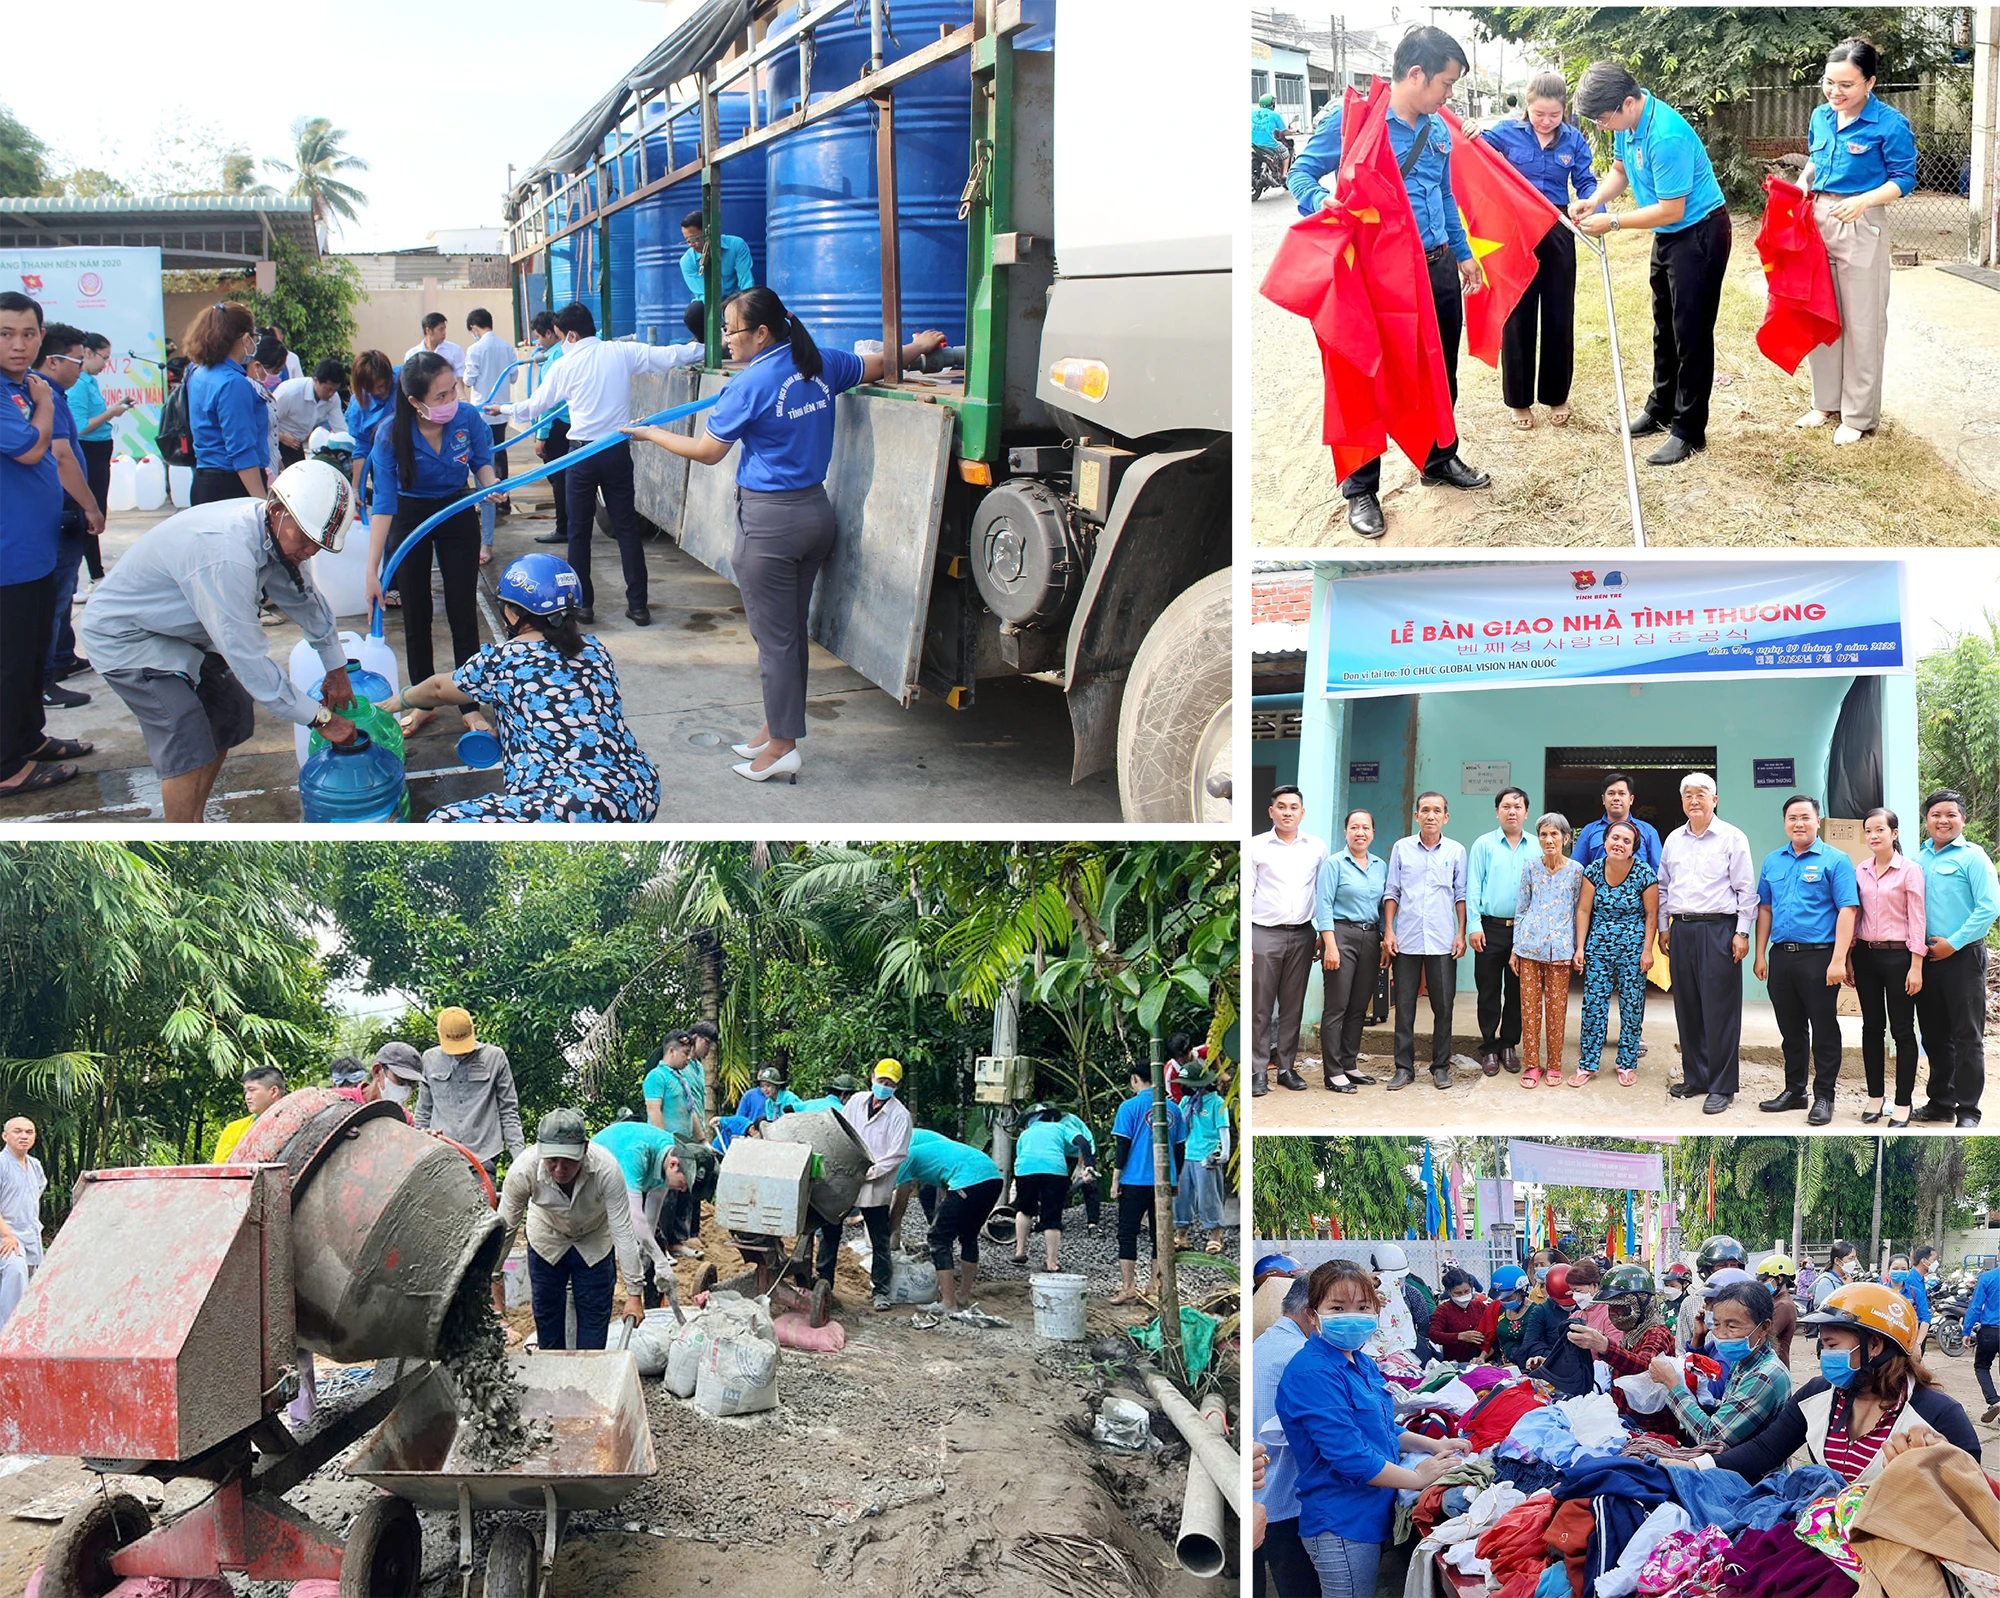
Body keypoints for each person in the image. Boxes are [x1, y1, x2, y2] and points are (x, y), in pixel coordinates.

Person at [622, 289, 946, 775]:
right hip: (815, 514)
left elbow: (709, 452)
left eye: (731, 330)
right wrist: (919, 348)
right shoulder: (818, 362)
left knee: (775, 642)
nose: (726, 340)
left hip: (770, 525)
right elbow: (879, 364)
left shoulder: (750, 385)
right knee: (788, 636)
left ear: (762, 332)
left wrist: (649, 434)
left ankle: (782, 748)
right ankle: (776, 730)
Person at [1285, 26, 1490, 538]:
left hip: (1436, 265)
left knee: (1439, 369)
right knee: (1363, 376)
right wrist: (1321, 202)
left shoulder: (1438, 128)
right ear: (1416, 74)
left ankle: (1439, 457)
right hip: (1377, 276)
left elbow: (1443, 195)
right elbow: (1301, 174)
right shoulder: (1354, 121)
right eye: (1445, 83)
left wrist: (1463, 254)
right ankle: (1361, 488)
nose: (1449, 95)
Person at [78, 461, 361, 821]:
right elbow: (247, 657)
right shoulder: (227, 553)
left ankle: (194, 814)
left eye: (319, 545)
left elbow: (304, 599)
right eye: (305, 539)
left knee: (229, 711)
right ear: (276, 509)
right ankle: (184, 841)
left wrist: (336, 668)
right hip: (127, 636)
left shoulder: (275, 535)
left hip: (182, 631)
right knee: (185, 732)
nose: (309, 551)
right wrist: (321, 719)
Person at [381, 553, 661, 822]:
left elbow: (438, 689)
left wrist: (398, 701)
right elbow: (572, 715)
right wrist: (513, 732)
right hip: (638, 788)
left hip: (571, 804)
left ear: (513, 614)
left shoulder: (503, 660)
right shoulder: (596, 651)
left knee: (442, 821)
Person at [1275, 1259, 1474, 1598]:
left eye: (1363, 1306)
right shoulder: (1313, 1373)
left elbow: (1383, 1428)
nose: (1352, 1315)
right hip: (1340, 1521)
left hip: (1367, 1511)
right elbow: (1350, 1456)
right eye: (1337, 1307)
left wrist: (1434, 1446)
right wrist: (1416, 1478)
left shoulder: (1360, 1360)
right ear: (1313, 1315)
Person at [498, 303, 702, 631]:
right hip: (615, 451)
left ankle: (583, 606)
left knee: (579, 533)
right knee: (626, 531)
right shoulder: (620, 352)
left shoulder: (564, 365)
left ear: (573, 335)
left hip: (579, 456)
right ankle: (638, 607)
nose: (562, 343)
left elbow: (532, 407)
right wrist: (708, 348)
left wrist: (501, 408)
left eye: (563, 337)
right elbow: (667, 356)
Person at [1571, 62, 1732, 467]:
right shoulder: (1628, 126)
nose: (1602, 126)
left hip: (1698, 233)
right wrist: (1596, 200)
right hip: (1669, 235)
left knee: (1691, 334)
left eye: (1604, 118)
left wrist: (1614, 221)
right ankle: (1660, 408)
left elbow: (1670, 210)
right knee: (1664, 324)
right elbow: (1620, 171)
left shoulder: (1666, 136)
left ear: (1628, 101)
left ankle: (1689, 430)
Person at [1706, 1282, 1977, 1484]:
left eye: (1831, 1344)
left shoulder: (1938, 1415)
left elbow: (1970, 1495)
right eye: (1822, 1345)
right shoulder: (1817, 1395)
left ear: (1874, 1345)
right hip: (1826, 1537)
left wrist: (1940, 1466)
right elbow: (1765, 1450)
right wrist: (1697, 1465)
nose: (1824, 1355)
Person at [363, 352, 497, 730]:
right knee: (416, 611)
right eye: (440, 396)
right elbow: (384, 505)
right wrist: (373, 570)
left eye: (452, 390)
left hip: (456, 509)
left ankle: (469, 703)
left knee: (461, 610)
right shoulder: (390, 435)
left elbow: (482, 461)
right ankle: (422, 702)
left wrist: (490, 487)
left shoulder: (466, 417)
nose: (450, 401)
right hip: (410, 517)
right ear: (414, 402)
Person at [1798, 38, 1918, 446]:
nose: (1836, 92)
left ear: (1870, 83)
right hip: (1818, 218)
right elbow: (1816, 158)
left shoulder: (1890, 124)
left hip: (1862, 221)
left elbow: (1903, 179)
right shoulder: (1820, 116)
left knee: (1863, 323)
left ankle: (1858, 415)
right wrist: (1802, 183)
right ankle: (1825, 402)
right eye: (1829, 82)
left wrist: (1863, 200)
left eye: (1847, 85)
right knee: (1821, 313)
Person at [1478, 74, 1599, 429]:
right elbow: (1473, 152)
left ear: (1565, 110)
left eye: (1554, 115)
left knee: (1559, 312)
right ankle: (1519, 401)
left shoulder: (1574, 140)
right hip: (1515, 231)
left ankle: (1556, 394)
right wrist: (1469, 130)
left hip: (1558, 226)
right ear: (1526, 105)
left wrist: (1593, 207)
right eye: (1539, 114)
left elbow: (1586, 181)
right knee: (1519, 313)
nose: (1546, 121)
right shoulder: (1504, 133)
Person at [0, 294, 76, 799]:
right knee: (9, 662)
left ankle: (29, 738)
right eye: (6, 334)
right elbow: (31, 449)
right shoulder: (24, 393)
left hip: (34, 552)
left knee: (31, 656)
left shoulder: (18, 387)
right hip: (7, 559)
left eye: (28, 334)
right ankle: (7, 765)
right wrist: (46, 403)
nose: (18, 345)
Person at [494, 1109, 645, 1351]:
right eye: (552, 1160)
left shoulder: (607, 1169)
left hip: (594, 1238)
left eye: (568, 1160)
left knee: (594, 1320)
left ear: (584, 1149)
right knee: (547, 1317)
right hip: (547, 1238)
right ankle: (554, 1377)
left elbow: (623, 1231)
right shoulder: (523, 1170)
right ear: (541, 1150)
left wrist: (635, 1293)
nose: (560, 1168)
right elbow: (505, 1229)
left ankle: (589, 1378)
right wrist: (491, 1275)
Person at [1657, 773, 1756, 1115]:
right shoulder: (1673, 840)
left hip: (1720, 929)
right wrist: (1663, 928)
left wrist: (1742, 933)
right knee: (1688, 1006)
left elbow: (1746, 890)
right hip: (1681, 929)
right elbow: (1664, 887)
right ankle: (1696, 1077)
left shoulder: (1732, 837)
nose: (1694, 800)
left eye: (1701, 794)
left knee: (1721, 1010)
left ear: (1715, 800)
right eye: (1688, 795)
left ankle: (1722, 1086)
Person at [29, 324, 106, 713]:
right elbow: (62, 456)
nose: (81, 367)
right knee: (55, 599)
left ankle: (61, 656)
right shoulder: (45, 397)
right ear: (53, 360)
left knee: (60, 593)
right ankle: (45, 682)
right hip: (60, 510)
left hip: (59, 510)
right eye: (77, 359)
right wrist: (90, 505)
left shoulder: (51, 393)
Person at [1912, 790, 2000, 1128]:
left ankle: (1967, 1111)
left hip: (1963, 958)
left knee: (1967, 1036)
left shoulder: (1973, 857)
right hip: (1925, 960)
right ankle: (1940, 1103)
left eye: (1950, 814)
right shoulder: (1918, 859)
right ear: (1927, 819)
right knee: (1934, 1036)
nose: (1943, 820)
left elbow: (1989, 906)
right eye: (1936, 814)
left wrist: (1954, 942)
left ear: (1963, 819)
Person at [1845, 806, 1927, 1128]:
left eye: (1880, 829)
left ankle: (1903, 1102)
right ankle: (1875, 1098)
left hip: (1900, 959)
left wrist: (1916, 964)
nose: (1874, 835)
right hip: (1866, 956)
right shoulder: (1861, 870)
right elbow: (1856, 915)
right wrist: (1850, 955)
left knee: (1903, 1031)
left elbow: (1917, 918)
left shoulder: (1909, 870)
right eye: (1869, 830)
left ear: (1894, 833)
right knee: (1871, 1028)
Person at [1383, 791, 1468, 1092]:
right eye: (1425, 810)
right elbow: (1392, 891)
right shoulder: (1402, 849)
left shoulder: (1456, 851)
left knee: (1443, 1007)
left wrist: (1460, 933)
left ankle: (1440, 1067)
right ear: (1416, 815)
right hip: (1405, 939)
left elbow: (1461, 895)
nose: (1430, 815)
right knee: (1404, 1007)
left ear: (1446, 817)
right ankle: (1403, 1068)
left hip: (1443, 939)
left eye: (1437, 811)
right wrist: (1389, 931)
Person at [1249, 786, 1328, 1096]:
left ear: (1302, 813)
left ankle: (1286, 1068)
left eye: (1293, 807)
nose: (1287, 812)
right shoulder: (1256, 846)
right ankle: (1257, 1071)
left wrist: (1323, 933)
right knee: (1260, 1007)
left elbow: (1322, 893)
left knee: (1293, 1006)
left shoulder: (1316, 847)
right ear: (1271, 812)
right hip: (1263, 934)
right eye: (1281, 807)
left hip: (1303, 934)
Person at [1648, 1278, 1792, 1447]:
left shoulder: (1764, 1375)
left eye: (1732, 1327)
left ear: (1764, 1327)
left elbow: (1711, 1437)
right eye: (1716, 1324)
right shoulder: (1744, 1362)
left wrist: (1672, 1384)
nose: (1721, 1334)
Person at [1573, 819, 1659, 1088]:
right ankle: (1588, 1064)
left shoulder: (1644, 873)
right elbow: (1584, 910)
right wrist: (1580, 947)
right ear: (1605, 841)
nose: (1619, 844)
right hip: (1598, 948)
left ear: (1633, 847)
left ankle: (1626, 1063)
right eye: (1614, 838)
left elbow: (1651, 914)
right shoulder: (1594, 870)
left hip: (1633, 949)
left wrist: (1647, 951)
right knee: (1594, 1006)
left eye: (1626, 840)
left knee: (1632, 1007)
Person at [1250, 1272, 1317, 1598]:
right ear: (1311, 1312)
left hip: (1263, 1496)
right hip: (1287, 1500)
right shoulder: (1300, 1355)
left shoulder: (1264, 1343)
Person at [892, 1128, 1003, 1319]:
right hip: (992, 1178)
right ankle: (962, 1296)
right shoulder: (933, 1147)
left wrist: (887, 1233)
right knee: (968, 1236)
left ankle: (948, 1303)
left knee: (938, 1238)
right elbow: (945, 1183)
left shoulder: (904, 1157)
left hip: (969, 1181)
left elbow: (900, 1204)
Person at [1313, 807, 1387, 1094]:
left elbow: (1383, 907)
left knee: (1358, 1007)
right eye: (1354, 827)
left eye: (1365, 828)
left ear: (1372, 833)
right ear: (1346, 832)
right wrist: (1330, 944)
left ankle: (1349, 1063)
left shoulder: (1380, 865)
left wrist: (1383, 940)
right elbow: (1324, 906)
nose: (1360, 833)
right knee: (1337, 1006)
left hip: (1370, 938)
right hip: (1341, 935)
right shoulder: (1334, 864)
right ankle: (1332, 1073)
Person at [1512, 811, 1585, 1089]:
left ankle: (1554, 1063)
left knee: (1556, 1009)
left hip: (1562, 950)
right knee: (1529, 1010)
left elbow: (1581, 911)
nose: (1548, 839)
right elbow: (1521, 909)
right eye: (1543, 834)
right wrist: (1515, 949)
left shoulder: (1577, 871)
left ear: (1566, 838)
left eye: (1555, 834)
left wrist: (1580, 948)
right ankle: (1532, 1064)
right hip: (1530, 947)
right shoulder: (1531, 867)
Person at [415, 1006, 526, 1186]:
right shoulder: (429, 1059)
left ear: (473, 1031)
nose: (459, 1053)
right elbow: (423, 1112)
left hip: (483, 1156)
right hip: (441, 1158)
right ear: (440, 1036)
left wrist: (520, 1161)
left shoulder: (495, 1058)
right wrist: (417, 1154)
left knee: (482, 1210)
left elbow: (509, 1111)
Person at [1467, 786, 1535, 1077]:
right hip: (1489, 929)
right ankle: (1489, 1047)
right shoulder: (1483, 844)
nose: (1512, 811)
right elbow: (1472, 887)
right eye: (1506, 806)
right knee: (1488, 991)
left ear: (1526, 813)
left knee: (1519, 992)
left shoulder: (1535, 846)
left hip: (1524, 932)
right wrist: (1473, 926)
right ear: (1497, 812)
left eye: (1518, 807)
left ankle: (1509, 1045)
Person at [590, 1114, 691, 1302]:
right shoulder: (637, 1154)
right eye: (684, 1184)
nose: (683, 1190)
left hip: (621, 1180)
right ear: (674, 1165)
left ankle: (651, 1306)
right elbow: (634, 1215)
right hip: (594, 1180)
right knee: (606, 1243)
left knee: (652, 1246)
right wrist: (661, 1261)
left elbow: (651, 1215)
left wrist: (648, 1250)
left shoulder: (671, 1151)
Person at [1109, 1062, 1188, 1304]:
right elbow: (1179, 1150)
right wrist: (1176, 1178)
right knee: (1160, 1234)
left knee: (1127, 1233)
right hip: (1163, 1181)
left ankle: (1128, 1287)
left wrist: (1115, 1181)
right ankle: (1155, 1285)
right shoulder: (1173, 1109)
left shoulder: (1128, 1107)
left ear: (1135, 1079)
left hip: (1134, 1180)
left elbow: (1122, 1147)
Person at [841, 1059, 913, 1311]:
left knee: (879, 1238)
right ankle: (824, 1280)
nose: (884, 1086)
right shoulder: (856, 1102)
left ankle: (880, 1290)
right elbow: (843, 1131)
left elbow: (897, 1154)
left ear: (897, 1086)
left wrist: (871, 1172)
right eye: (881, 1081)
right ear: (872, 1077)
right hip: (847, 1175)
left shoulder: (900, 1116)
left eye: (889, 1083)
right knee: (829, 1229)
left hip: (876, 1182)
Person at [181, 302, 269, 503]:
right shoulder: (234, 383)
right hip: (233, 486)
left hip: (204, 480)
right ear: (246, 338)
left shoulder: (197, 372)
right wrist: (262, 503)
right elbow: (242, 451)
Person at [640, 1030, 705, 1257]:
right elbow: (654, 1110)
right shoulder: (656, 1077)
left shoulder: (681, 1078)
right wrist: (662, 1145)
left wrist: (702, 1139)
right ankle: (659, 1245)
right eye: (686, 1053)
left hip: (685, 1143)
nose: (689, 1057)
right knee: (663, 1197)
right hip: (666, 1145)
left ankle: (676, 1242)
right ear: (672, 1051)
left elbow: (691, 1111)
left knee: (682, 1193)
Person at [69, 334, 126, 587]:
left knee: (98, 512)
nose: (106, 364)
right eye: (103, 357)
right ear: (87, 353)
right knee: (90, 513)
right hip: (88, 453)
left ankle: (96, 573)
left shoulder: (90, 381)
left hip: (100, 451)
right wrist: (111, 413)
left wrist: (113, 410)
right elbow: (79, 427)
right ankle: (95, 575)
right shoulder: (79, 384)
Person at [462, 310, 516, 552]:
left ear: (474, 327)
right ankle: (502, 498)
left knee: (482, 460)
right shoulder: (506, 347)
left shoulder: (474, 350)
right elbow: (513, 377)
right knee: (499, 455)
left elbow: (469, 379)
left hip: (481, 413)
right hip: (501, 410)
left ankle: (488, 498)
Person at [1012, 1103, 1087, 1272]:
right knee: (1052, 1216)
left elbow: (1020, 1155)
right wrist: (1085, 1166)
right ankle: (1051, 1263)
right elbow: (1082, 1141)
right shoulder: (1061, 1127)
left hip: (1025, 1171)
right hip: (1055, 1171)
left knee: (1025, 1210)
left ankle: (1020, 1251)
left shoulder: (1026, 1133)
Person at [524, 311, 573, 549]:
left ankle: (564, 528)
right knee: (571, 478)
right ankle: (571, 525)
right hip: (572, 425)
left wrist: (540, 437)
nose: (537, 343)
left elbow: (547, 404)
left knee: (559, 479)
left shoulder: (554, 361)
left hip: (557, 426)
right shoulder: (566, 353)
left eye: (539, 337)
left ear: (551, 333)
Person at [1173, 1071, 1231, 1254]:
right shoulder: (1186, 1102)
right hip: (1185, 1154)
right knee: (1181, 1196)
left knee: (1209, 1196)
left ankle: (1215, 1235)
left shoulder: (1217, 1103)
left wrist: (1225, 1152)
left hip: (1206, 1155)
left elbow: (1223, 1129)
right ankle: (1181, 1233)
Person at [0, 1117, 48, 1335]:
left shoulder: (35, 1165)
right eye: (18, 1131)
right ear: (5, 1136)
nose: (24, 1136)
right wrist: (8, 1235)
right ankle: (10, 1333)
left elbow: (37, 1190)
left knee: (34, 1281)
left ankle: (30, 1331)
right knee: (16, 1271)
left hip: (30, 1233)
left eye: (29, 1132)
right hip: (6, 1235)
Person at [678, 210, 756, 340]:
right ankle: (711, 342)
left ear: (709, 232)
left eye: (695, 239)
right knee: (694, 313)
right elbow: (706, 296)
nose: (691, 244)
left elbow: (746, 283)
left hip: (736, 302)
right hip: (712, 307)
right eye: (687, 240)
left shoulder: (736, 245)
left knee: (755, 302)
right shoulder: (687, 261)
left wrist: (744, 310)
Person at [1572, 773, 1665, 872]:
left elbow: (1659, 872)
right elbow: (1576, 870)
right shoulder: (1589, 830)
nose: (1616, 798)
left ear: (1631, 799)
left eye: (1622, 793)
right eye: (1611, 793)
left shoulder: (1648, 831)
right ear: (1603, 799)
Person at [344, 350, 396, 518]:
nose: (381, 391)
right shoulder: (360, 406)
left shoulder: (405, 380)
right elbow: (362, 448)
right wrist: (356, 489)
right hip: (384, 468)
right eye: (374, 389)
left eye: (383, 385)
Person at [272, 359, 345, 469]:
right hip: (276, 442)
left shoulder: (333, 399)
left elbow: (341, 428)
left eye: (335, 390)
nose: (331, 394)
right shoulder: (289, 393)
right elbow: (266, 421)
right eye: (328, 389)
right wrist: (281, 437)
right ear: (316, 380)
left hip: (297, 444)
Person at [212, 1065, 288, 1162]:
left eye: (252, 1090)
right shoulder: (234, 1129)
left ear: (273, 1091)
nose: (247, 1097)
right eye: (245, 1092)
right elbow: (222, 1170)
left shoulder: (300, 1122)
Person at [1961, 1258, 2000, 1423]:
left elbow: (1976, 1306)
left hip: (1990, 1331)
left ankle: (1994, 1401)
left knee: (1982, 1367)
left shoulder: (1987, 1278)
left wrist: (1966, 1331)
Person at [1427, 1267, 1489, 1362]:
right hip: (1456, 1362)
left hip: (1483, 1360)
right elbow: (1434, 1334)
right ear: (1449, 1291)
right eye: (1458, 1293)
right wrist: (1460, 1336)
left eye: (1467, 1291)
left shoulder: (1480, 1307)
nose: (1463, 1295)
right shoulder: (1443, 1311)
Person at [1480, 1265, 1532, 1365]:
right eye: (1501, 1298)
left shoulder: (1535, 1312)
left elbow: (1537, 1346)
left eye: (1508, 1297)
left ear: (1522, 1291)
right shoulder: (1500, 1310)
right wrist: (1482, 1357)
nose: (1504, 1301)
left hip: (1527, 1368)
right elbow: (1496, 1340)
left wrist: (1518, 1364)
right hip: (1504, 1367)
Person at [405, 312, 466, 389]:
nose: (444, 333)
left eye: (444, 329)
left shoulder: (454, 350)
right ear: (428, 331)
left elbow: (459, 377)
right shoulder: (412, 354)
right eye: (440, 330)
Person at [1758, 1256, 1800, 1368]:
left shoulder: (1783, 1305)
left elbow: (1764, 1335)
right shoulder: (1775, 1301)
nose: (1762, 1284)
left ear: (1780, 1278)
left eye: (1765, 1280)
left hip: (1775, 1367)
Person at [359, 1042, 423, 1115]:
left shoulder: (405, 1118)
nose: (405, 1088)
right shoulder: (345, 1099)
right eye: (400, 1079)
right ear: (377, 1071)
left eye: (412, 1083)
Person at [1889, 1252, 1934, 1353]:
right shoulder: (1880, 1292)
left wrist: (1917, 1344)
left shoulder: (1915, 1293)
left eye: (1904, 1269)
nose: (1899, 1271)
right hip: (1886, 1340)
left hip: (1910, 1342)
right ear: (1888, 1271)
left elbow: (1925, 1318)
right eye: (1895, 1268)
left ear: (1908, 1271)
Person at [736, 1064, 804, 1123]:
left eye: (768, 1086)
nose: (765, 1089)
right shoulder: (768, 1103)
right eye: (762, 1086)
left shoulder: (790, 1098)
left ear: (777, 1085)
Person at [1249, 92, 1290, 179]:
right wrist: (1294, 131)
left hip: (1252, 143)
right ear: (1272, 104)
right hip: (1268, 144)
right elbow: (1285, 132)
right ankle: (1284, 174)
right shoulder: (1275, 115)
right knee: (1285, 152)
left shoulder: (1251, 113)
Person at [1814, 1241, 1858, 1312]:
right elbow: (1828, 1311)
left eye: (1854, 1258)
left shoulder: (1847, 1279)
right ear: (1837, 1261)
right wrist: (1848, 1288)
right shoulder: (1826, 1283)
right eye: (1850, 1258)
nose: (1853, 1263)